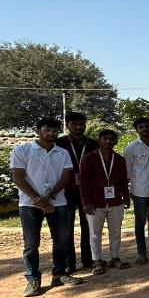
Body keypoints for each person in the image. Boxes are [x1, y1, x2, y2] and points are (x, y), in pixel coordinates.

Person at [11, 118, 83, 296]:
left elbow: (66, 177)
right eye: (47, 130)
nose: (51, 133)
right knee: (31, 244)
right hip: (29, 204)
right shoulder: (22, 150)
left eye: (55, 131)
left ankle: (59, 274)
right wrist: (37, 199)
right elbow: (18, 177)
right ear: (38, 130)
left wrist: (49, 197)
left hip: (58, 202)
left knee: (62, 241)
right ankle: (32, 279)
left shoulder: (63, 153)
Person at [79, 129, 130, 274]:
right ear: (99, 140)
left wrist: (125, 198)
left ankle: (115, 258)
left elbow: (123, 181)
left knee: (115, 232)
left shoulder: (119, 159)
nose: (108, 141)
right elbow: (83, 182)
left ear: (116, 141)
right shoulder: (88, 158)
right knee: (95, 234)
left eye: (111, 139)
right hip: (95, 202)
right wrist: (86, 202)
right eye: (105, 138)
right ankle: (97, 261)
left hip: (115, 201)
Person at [55, 111, 98, 272]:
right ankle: (69, 263)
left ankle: (88, 260)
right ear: (67, 126)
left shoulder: (93, 144)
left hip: (88, 191)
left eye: (81, 124)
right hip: (66, 190)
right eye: (74, 125)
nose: (78, 127)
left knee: (89, 227)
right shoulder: (59, 144)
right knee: (67, 228)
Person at [124, 117, 149, 264]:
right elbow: (127, 172)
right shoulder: (130, 148)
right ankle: (141, 253)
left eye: (147, 126)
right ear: (137, 129)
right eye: (141, 127)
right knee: (140, 222)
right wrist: (126, 193)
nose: (144, 129)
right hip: (139, 191)